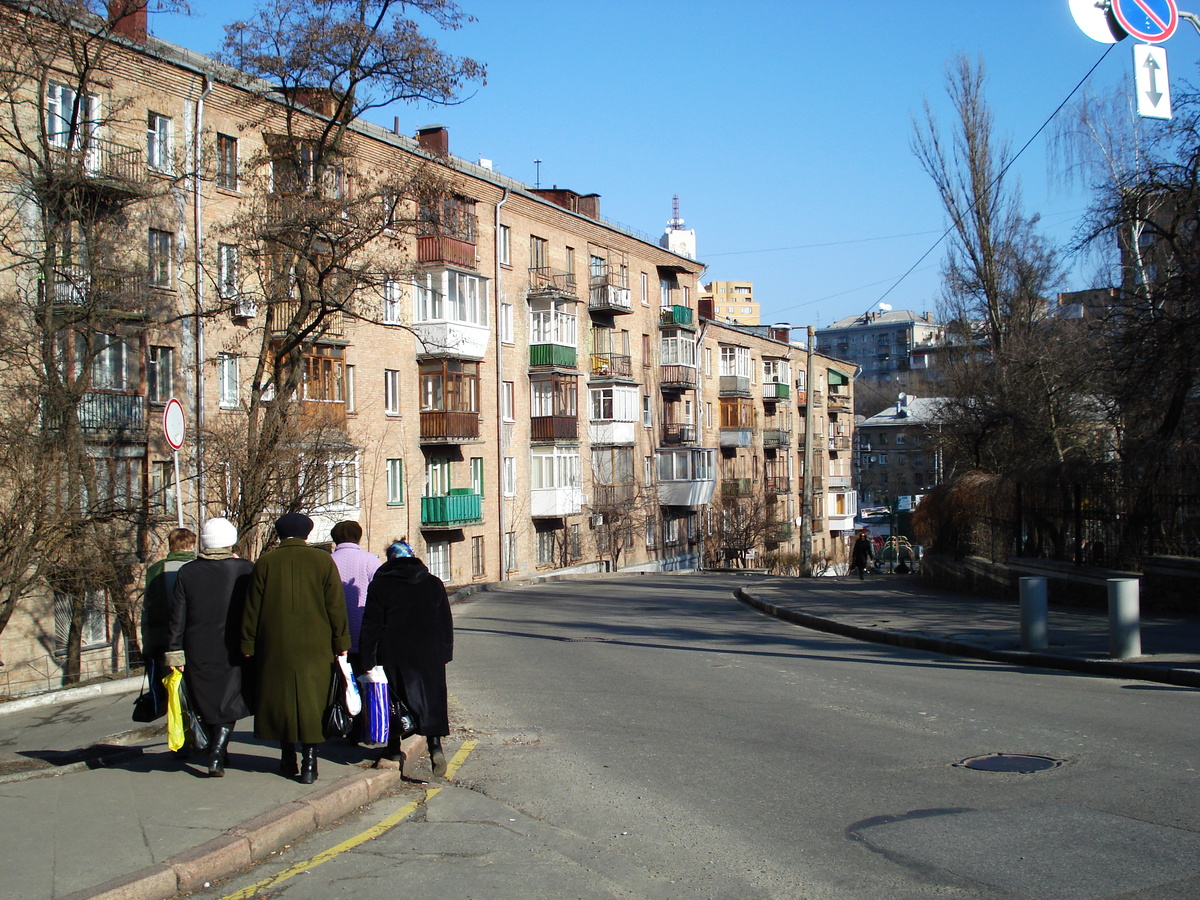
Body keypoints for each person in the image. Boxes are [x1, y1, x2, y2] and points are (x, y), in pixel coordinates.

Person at [241, 513, 350, 784]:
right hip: (316, 644)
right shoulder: (322, 560)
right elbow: (335, 605)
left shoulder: (265, 562)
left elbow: (252, 608)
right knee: (313, 702)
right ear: (307, 534)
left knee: (281, 701)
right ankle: (310, 763)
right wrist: (341, 642)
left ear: (279, 534)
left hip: (274, 644)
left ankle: (287, 757)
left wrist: (248, 643)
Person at [165, 518, 253, 777]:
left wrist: (174, 650)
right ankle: (217, 752)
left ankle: (219, 750)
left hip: (197, 648)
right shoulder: (245, 569)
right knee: (230, 698)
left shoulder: (188, 571)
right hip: (234, 647)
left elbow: (177, 616)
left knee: (207, 699)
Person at [359, 540, 453, 776]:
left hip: (393, 651)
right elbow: (445, 621)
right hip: (429, 650)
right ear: (412, 556)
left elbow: (372, 624)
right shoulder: (433, 583)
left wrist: (367, 660)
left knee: (394, 701)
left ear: (390, 559)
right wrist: (445, 652)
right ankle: (435, 746)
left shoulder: (380, 585)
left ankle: (393, 748)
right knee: (431, 698)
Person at [143, 528, 197, 684]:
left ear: (170, 545)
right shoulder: (200, 567)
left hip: (163, 642)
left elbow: (147, 612)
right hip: (196, 641)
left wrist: (148, 647)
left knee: (169, 693)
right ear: (192, 545)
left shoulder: (156, 570)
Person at [329, 520, 382, 667]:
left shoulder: (328, 561)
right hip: (365, 631)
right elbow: (381, 592)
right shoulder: (370, 560)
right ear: (358, 536)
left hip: (335, 634)